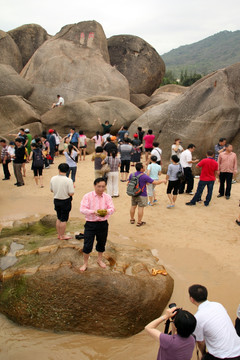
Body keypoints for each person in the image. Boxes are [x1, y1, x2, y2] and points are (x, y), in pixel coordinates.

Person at [188, 284, 240, 359]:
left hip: (222, 356)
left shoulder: (197, 318)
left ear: (191, 299)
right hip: (238, 349)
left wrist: (203, 354)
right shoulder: (218, 305)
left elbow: (200, 342)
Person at [79, 177, 115, 271]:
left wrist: (106, 211)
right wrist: (93, 212)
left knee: (102, 242)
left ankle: (99, 260)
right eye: (99, 186)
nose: (101, 189)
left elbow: (112, 209)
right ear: (94, 186)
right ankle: (85, 263)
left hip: (103, 223)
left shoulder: (107, 197)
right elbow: (82, 209)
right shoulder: (87, 196)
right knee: (87, 244)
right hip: (90, 223)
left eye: (103, 186)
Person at [129, 162, 166, 227]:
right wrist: (162, 181)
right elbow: (155, 182)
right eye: (143, 166)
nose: (145, 167)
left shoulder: (132, 175)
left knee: (133, 206)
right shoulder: (144, 176)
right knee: (141, 208)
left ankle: (132, 219)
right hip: (142, 194)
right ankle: (139, 222)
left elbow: (128, 183)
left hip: (134, 193)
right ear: (141, 168)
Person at [50, 163, 74, 240]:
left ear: (59, 169)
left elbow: (51, 190)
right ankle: (62, 235)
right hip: (65, 201)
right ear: (67, 171)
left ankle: (59, 234)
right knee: (64, 219)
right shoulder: (68, 180)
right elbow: (71, 193)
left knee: (59, 217)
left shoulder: (53, 178)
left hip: (56, 200)